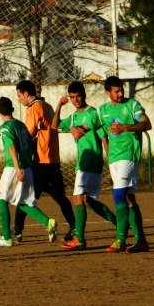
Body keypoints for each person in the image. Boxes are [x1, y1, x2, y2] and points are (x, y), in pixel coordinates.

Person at [53, 81, 117, 250]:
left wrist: (111, 163)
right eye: (72, 97)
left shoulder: (93, 114)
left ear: (84, 95)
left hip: (91, 161)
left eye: (78, 96)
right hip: (83, 163)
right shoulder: (73, 117)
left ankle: (79, 239)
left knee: (77, 197)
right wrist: (59, 104)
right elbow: (54, 125)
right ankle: (119, 223)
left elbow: (104, 138)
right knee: (87, 200)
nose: (75, 100)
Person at [13, 80, 75, 244]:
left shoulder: (33, 108)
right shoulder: (46, 105)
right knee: (59, 196)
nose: (19, 99)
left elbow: (28, 133)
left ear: (26, 94)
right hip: (53, 160)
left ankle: (17, 233)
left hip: (40, 160)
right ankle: (74, 227)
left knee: (24, 198)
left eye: (19, 95)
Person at [0, 95, 57, 248]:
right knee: (21, 202)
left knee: (2, 199)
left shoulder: (5, 127)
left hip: (14, 167)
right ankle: (48, 222)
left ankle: (6, 237)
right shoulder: (21, 125)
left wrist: (17, 168)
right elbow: (31, 146)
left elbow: (11, 147)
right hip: (28, 166)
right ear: (12, 109)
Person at [97, 75, 151, 253]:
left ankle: (120, 239)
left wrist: (125, 127)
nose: (120, 94)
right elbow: (98, 129)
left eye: (121, 90)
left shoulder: (132, 105)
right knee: (128, 198)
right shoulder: (103, 110)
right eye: (116, 91)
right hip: (114, 159)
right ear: (108, 93)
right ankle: (141, 241)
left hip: (129, 155)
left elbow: (146, 124)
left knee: (118, 195)